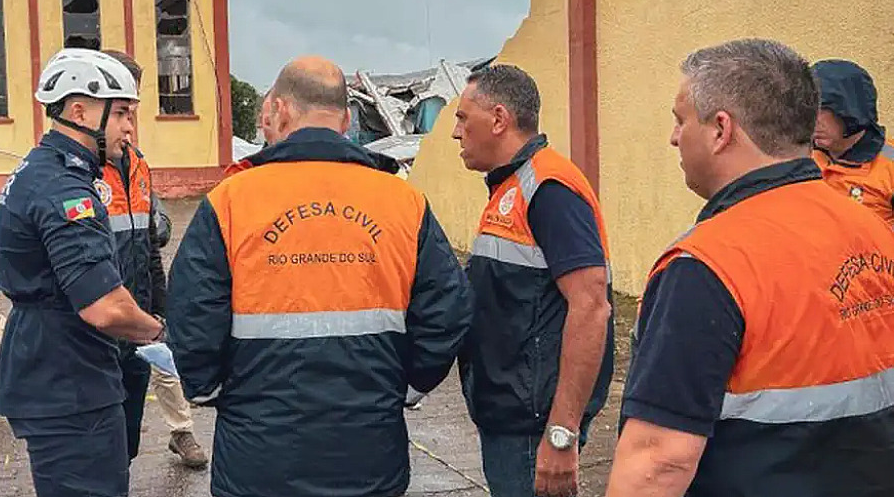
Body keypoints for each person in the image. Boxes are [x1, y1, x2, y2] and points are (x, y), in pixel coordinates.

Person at [166, 55, 473, 497]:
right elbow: (447, 309)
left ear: (280, 110)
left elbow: (192, 309)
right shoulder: (402, 201)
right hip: (369, 450)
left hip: (259, 454)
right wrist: (409, 386)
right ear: (346, 120)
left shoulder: (231, 200)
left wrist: (207, 388)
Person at [607, 38, 894, 497]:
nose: (674, 137)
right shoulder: (872, 230)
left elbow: (657, 463)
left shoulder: (706, 266)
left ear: (721, 130)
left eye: (681, 120)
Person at [0, 47, 165, 497]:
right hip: (68, 378)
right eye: (121, 113)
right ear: (80, 111)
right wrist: (163, 334)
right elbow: (105, 308)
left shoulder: (48, 169)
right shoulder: (65, 188)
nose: (130, 126)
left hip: (59, 367)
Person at [450, 63, 614, 497]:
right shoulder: (513, 186)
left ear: (499, 119)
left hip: (534, 424)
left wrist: (561, 433)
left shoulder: (549, 188)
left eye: (463, 118)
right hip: (511, 414)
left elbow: (591, 306)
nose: (455, 132)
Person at [98, 49, 208, 469]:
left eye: (133, 107)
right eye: (121, 109)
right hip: (101, 312)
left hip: (140, 300)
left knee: (159, 362)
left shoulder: (137, 163)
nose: (130, 120)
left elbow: (149, 242)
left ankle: (180, 431)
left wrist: (160, 306)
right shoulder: (77, 171)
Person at [810, 58, 894, 226]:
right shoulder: (800, 154)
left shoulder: (888, 165)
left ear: (850, 110)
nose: (812, 120)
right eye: (807, 109)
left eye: (821, 109)